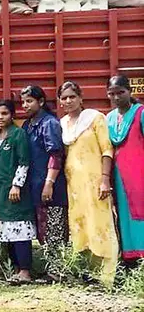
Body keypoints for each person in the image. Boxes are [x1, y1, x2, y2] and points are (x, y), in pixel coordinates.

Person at [59, 81, 119, 286]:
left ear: (81, 98)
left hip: (95, 183)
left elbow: (106, 150)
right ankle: (89, 273)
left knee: (100, 224)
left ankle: (108, 275)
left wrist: (104, 179)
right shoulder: (63, 124)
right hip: (74, 186)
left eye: (72, 97)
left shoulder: (94, 118)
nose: (68, 101)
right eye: (64, 97)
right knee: (80, 226)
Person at [19, 85, 69, 280]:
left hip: (50, 185)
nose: (25, 105)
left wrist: (49, 182)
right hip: (35, 184)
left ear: (40, 102)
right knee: (43, 228)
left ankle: (57, 271)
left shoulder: (49, 123)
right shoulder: (28, 125)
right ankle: (50, 268)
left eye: (29, 101)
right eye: (23, 102)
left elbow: (55, 154)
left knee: (54, 226)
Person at [0, 100, 35, 285]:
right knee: (7, 231)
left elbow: (24, 161)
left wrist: (17, 185)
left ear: (12, 115)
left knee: (20, 231)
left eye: (4, 114)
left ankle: (25, 270)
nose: (0, 117)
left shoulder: (18, 135)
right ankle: (15, 269)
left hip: (15, 192)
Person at [105, 76, 144, 263]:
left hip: (140, 174)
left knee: (140, 212)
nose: (116, 97)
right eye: (112, 93)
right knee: (124, 214)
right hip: (120, 177)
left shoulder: (140, 113)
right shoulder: (110, 118)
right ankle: (130, 258)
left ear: (130, 91)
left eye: (120, 92)